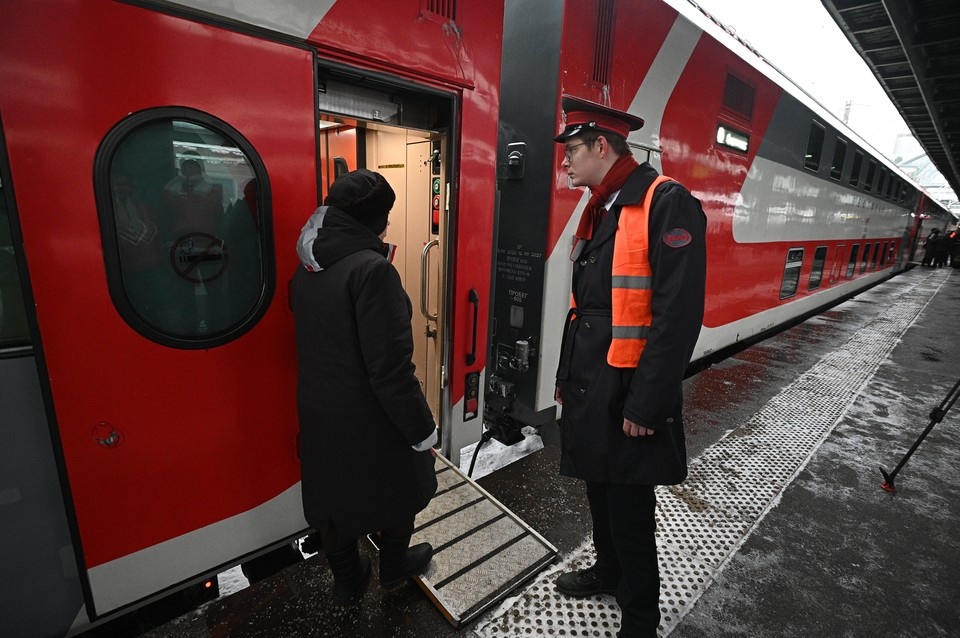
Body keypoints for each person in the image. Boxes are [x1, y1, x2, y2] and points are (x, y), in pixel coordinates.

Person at [551, 96, 707, 638]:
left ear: (601, 145)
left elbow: (677, 315)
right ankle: (609, 571)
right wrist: (566, 377)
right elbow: (589, 306)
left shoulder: (665, 202)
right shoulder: (605, 206)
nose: (564, 162)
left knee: (629, 504)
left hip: (629, 382)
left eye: (572, 150)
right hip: (594, 375)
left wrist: (649, 401)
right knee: (599, 484)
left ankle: (640, 614)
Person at [292, 168, 438, 604]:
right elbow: (390, 371)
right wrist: (422, 431)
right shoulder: (373, 271)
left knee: (333, 496)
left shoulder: (308, 265)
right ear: (374, 221)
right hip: (369, 414)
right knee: (405, 485)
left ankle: (347, 579)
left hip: (319, 407)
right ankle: (393, 566)